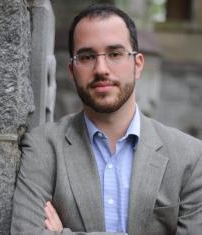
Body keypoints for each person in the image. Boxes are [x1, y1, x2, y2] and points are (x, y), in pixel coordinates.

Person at [11, 3, 202, 235]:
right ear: (71, 70)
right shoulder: (42, 147)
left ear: (137, 64)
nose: (101, 68)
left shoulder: (191, 157)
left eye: (114, 54)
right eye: (87, 56)